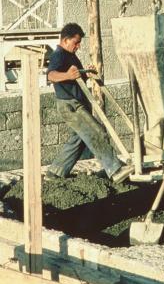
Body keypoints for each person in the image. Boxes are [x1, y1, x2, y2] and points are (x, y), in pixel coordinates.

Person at [45, 22, 130, 183]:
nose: (77, 46)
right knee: (97, 132)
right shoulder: (59, 54)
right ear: (65, 40)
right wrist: (68, 76)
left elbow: (76, 76)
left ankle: (55, 172)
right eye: (75, 42)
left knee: (79, 139)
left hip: (76, 103)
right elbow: (51, 75)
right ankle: (114, 169)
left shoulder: (70, 55)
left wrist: (87, 73)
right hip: (70, 105)